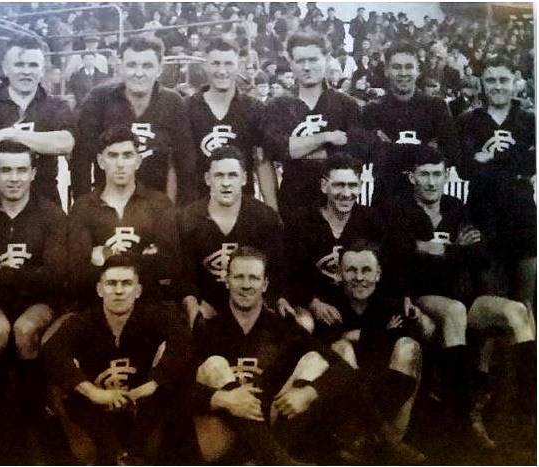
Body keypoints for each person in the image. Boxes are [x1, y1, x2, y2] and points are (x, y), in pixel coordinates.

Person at [190, 247, 425, 464]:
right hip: (224, 440)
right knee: (214, 365)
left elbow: (342, 369)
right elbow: (175, 389)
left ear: (265, 284)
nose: (246, 284)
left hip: (274, 432)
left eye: (253, 278)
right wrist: (221, 399)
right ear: (227, 280)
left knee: (315, 360)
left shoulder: (282, 328)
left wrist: (310, 392)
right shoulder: (208, 330)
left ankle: (383, 441)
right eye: (239, 277)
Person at [380, 147, 536, 449]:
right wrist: (453, 251)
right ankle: (460, 418)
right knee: (453, 311)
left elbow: (480, 255)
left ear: (446, 176)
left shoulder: (456, 208)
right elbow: (400, 256)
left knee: (516, 311)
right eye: (424, 174)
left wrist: (430, 248)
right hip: (426, 297)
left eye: (437, 174)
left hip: (465, 296)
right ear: (412, 177)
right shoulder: (398, 208)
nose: (430, 182)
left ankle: (530, 407)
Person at [43, 254, 192, 464]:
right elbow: (53, 351)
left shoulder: (154, 316)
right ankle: (114, 454)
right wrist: (93, 392)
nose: (119, 291)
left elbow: (182, 340)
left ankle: (133, 454)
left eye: (127, 283)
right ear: (99, 289)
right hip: (97, 409)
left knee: (169, 393)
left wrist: (154, 382)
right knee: (72, 400)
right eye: (111, 283)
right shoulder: (83, 321)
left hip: (140, 407)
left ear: (138, 290)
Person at [0, 141, 67, 456]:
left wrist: (1, 274)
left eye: (22, 170)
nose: (14, 178)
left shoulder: (51, 214)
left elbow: (54, 276)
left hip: (39, 301)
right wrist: (12, 277)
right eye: (6, 170)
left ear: (34, 173)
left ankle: (31, 420)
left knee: (25, 330)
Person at [314, 240, 423, 442]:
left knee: (409, 348)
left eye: (366, 270)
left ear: (378, 273)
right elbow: (327, 341)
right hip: (347, 397)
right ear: (339, 273)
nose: (359, 278)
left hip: (386, 388)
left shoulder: (391, 303)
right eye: (351, 270)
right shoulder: (329, 305)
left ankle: (392, 440)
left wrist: (359, 336)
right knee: (341, 348)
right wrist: (382, 334)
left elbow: (412, 334)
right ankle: (353, 441)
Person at [71, 36, 198, 206]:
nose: (139, 73)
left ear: (159, 69)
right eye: (132, 65)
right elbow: (82, 160)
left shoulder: (173, 102)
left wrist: (179, 215)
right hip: (107, 209)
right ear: (120, 66)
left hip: (156, 210)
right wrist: (83, 208)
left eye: (147, 66)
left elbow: (185, 165)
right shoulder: (99, 98)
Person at [455, 56, 536, 319]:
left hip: (522, 215)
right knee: (489, 299)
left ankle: (526, 359)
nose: (497, 86)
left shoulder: (528, 120)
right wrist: (515, 156)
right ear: (482, 83)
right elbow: (464, 167)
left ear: (515, 82)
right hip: (483, 214)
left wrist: (491, 156)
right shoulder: (469, 121)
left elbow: (533, 163)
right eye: (491, 80)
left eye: (503, 79)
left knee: (527, 299)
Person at [67, 126, 180, 307]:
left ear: (138, 161)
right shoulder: (83, 207)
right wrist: (144, 258)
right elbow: (76, 277)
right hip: (95, 308)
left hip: (149, 305)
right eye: (113, 155)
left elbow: (169, 268)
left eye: (127, 156)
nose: (120, 164)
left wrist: (104, 257)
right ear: (100, 161)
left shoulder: (159, 204)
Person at [177, 147, 287, 328]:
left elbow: (276, 271)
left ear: (244, 178)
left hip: (253, 306)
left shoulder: (265, 218)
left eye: (232, 175)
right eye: (219, 175)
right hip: (207, 306)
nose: (226, 183)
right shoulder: (188, 218)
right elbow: (184, 275)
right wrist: (192, 302)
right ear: (207, 179)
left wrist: (262, 305)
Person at [262, 31, 366, 221]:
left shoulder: (347, 105)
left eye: (313, 60)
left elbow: (354, 156)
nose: (307, 67)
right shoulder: (278, 106)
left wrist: (299, 149)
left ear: (326, 59)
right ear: (291, 64)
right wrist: (326, 138)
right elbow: (280, 150)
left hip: (339, 207)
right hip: (292, 204)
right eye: (300, 61)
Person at [0, 36, 75, 206]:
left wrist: (11, 134)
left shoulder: (57, 105)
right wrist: (41, 142)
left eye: (33, 65)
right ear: (5, 68)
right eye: (19, 64)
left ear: (42, 69)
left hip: (46, 206)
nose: (26, 71)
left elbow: (65, 142)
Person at [283, 154, 385, 333]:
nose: (346, 194)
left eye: (353, 185)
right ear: (324, 186)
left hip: (358, 304)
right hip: (317, 305)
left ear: (360, 186)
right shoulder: (302, 221)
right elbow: (292, 274)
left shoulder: (372, 220)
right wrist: (312, 302)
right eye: (339, 185)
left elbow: (382, 269)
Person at [361, 41, 460, 205]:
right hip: (386, 199)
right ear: (386, 71)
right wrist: (425, 149)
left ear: (418, 71)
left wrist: (391, 148)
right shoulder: (372, 109)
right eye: (396, 67)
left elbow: (452, 154)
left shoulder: (437, 107)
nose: (403, 72)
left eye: (409, 67)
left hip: (428, 201)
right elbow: (371, 157)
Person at [185, 38, 278, 208]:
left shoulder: (254, 108)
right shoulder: (187, 108)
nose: (222, 71)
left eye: (228, 63)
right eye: (215, 64)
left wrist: (273, 211)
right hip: (197, 212)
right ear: (205, 65)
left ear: (238, 65)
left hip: (243, 211)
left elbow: (262, 163)